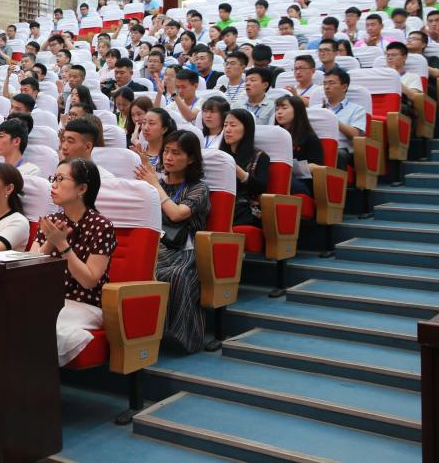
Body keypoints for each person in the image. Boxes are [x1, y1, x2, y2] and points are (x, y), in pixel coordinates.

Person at [31, 158, 116, 366]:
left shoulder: (102, 226)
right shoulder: (51, 220)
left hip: (86, 304)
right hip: (51, 299)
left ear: (82, 189)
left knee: (40, 326)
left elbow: (89, 281)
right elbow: (30, 267)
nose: (53, 184)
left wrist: (62, 245)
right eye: (53, 178)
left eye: (61, 179)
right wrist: (49, 243)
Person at [134, 130, 210, 353]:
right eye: (166, 151)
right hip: (155, 244)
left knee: (175, 275)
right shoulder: (156, 183)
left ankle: (180, 337)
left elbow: (176, 214)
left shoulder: (199, 188)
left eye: (176, 153)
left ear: (191, 158)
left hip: (185, 249)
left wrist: (154, 187)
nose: (168, 157)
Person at [220, 110, 268, 227]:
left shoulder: (259, 156)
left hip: (245, 207)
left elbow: (260, 187)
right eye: (225, 125)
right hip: (221, 202)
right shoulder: (220, 155)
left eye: (233, 125)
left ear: (246, 129)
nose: (227, 130)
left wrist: (235, 168)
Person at [275, 96, 323, 198]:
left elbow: (317, 167)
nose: (279, 112)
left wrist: (289, 168)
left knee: (279, 179)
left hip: (301, 182)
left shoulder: (309, 137)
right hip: (280, 177)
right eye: (277, 109)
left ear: (297, 110)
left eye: (284, 108)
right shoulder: (274, 136)